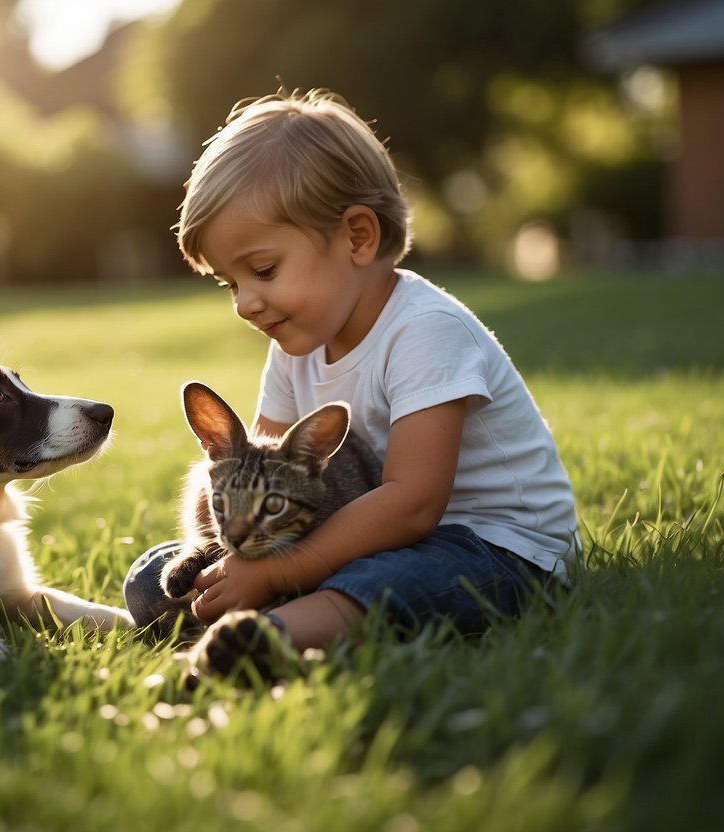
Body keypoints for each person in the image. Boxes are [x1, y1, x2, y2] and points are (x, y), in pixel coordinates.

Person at [124, 88, 579, 680]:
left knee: (391, 578)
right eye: (229, 284)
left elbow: (414, 505)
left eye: (261, 271)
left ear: (358, 237)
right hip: (374, 538)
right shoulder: (297, 342)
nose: (245, 303)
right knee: (150, 579)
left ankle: (270, 637)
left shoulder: (425, 332)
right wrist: (224, 559)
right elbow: (260, 471)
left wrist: (274, 573)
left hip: (494, 547)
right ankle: (259, 611)